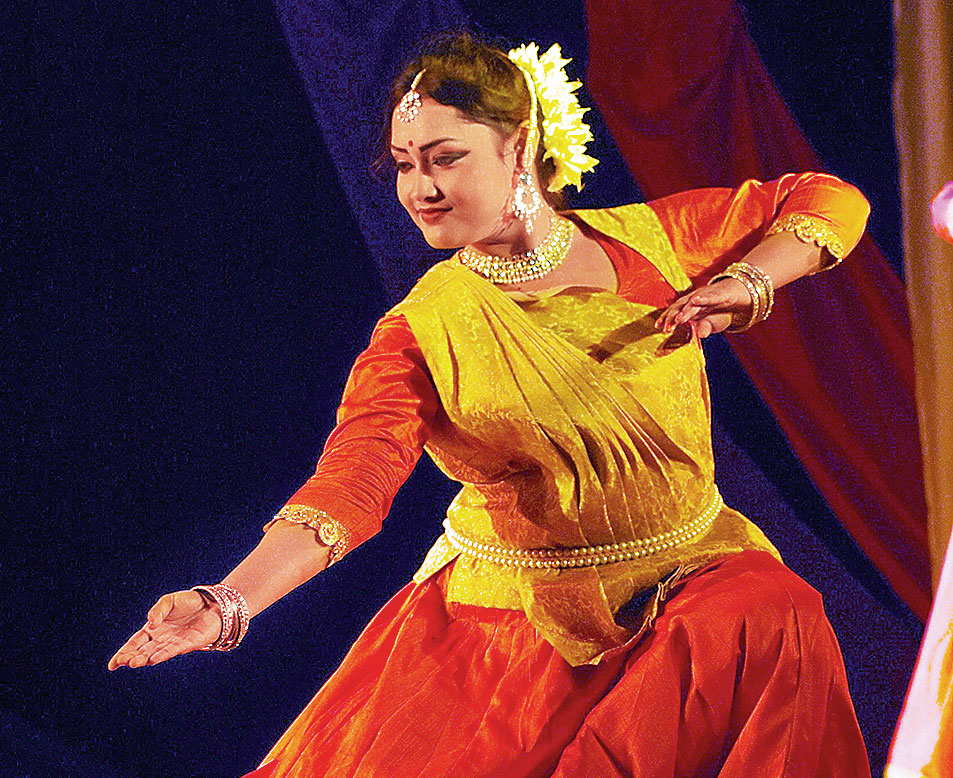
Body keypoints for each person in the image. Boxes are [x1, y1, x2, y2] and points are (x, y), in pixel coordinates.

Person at [109, 31, 873, 777]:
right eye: (406, 166)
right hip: (511, 632)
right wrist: (227, 601)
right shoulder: (422, 330)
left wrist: (748, 285)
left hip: (691, 583)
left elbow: (826, 199)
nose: (421, 190)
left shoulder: (651, 243)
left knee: (772, 609)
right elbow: (348, 490)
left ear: (521, 146)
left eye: (446, 159)